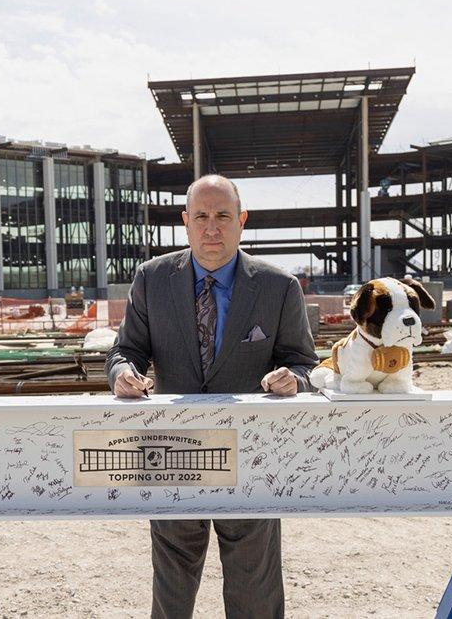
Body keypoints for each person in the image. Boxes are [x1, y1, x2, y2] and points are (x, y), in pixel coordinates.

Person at [106, 174, 318, 619]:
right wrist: (124, 373)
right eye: (201, 216)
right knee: (171, 591)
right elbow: (126, 350)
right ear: (186, 222)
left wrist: (293, 380)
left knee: (254, 592)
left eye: (223, 216)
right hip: (169, 453)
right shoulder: (152, 279)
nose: (212, 228)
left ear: (241, 221)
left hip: (251, 456)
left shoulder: (279, 287)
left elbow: (305, 363)